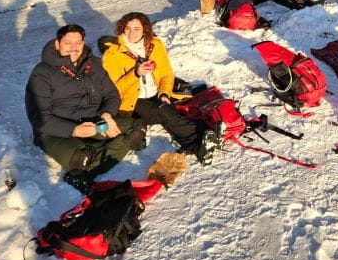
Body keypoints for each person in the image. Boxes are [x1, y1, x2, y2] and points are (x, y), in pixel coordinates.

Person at [25, 24, 145, 193]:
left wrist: (107, 114)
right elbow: (39, 117)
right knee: (83, 157)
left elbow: (112, 94)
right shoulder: (42, 73)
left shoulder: (94, 64)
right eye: (68, 43)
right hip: (56, 132)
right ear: (57, 44)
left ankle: (91, 162)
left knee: (136, 129)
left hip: (94, 122)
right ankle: (89, 159)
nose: (74, 48)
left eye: (78, 43)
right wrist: (74, 130)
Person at [101, 12, 220, 164]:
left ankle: (196, 142)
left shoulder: (155, 45)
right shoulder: (112, 54)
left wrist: (164, 92)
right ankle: (200, 138)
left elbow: (166, 74)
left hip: (154, 94)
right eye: (127, 28)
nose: (131, 33)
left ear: (145, 29)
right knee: (162, 110)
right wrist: (135, 74)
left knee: (172, 108)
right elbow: (113, 90)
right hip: (130, 101)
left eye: (136, 29)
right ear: (122, 29)